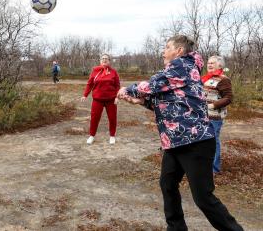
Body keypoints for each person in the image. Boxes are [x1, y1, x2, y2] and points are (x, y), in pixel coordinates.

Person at [117, 35, 243, 231]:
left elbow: (151, 85)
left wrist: (129, 89)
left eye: (167, 47)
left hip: (196, 141)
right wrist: (142, 101)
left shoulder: (182, 66)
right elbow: (174, 105)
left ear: (179, 51)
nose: (163, 51)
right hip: (175, 141)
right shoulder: (181, 71)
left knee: (203, 198)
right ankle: (176, 228)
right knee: (167, 184)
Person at [202, 56, 232, 173]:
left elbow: (229, 98)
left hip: (215, 117)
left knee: (213, 141)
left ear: (220, 65)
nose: (209, 65)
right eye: (208, 63)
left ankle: (214, 169)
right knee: (203, 142)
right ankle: (205, 165)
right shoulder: (206, 78)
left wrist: (212, 105)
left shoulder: (223, 79)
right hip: (203, 116)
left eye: (213, 63)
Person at [81, 53, 120, 145]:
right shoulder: (95, 71)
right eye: (103, 58)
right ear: (100, 61)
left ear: (109, 61)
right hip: (97, 100)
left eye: (106, 58)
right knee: (94, 118)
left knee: (112, 118)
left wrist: (117, 97)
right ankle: (91, 136)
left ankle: (112, 136)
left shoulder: (113, 72)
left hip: (111, 100)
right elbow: (90, 84)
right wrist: (85, 95)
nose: (104, 60)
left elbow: (117, 85)